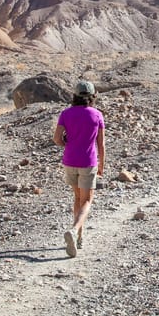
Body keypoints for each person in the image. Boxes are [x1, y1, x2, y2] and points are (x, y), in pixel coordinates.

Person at [53, 81, 105, 257]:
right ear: (91, 97)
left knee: (77, 198)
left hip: (69, 160)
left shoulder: (66, 114)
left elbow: (57, 139)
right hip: (88, 162)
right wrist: (102, 164)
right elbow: (101, 144)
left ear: (74, 95)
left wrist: (67, 143)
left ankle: (79, 237)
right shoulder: (97, 115)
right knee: (87, 201)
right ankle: (75, 230)